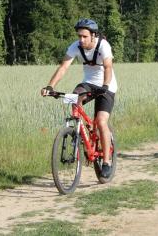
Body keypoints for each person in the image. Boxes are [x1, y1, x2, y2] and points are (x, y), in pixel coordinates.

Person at [41, 18, 117, 178]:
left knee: (101, 121)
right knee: (74, 99)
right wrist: (50, 86)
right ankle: (79, 133)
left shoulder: (103, 45)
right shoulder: (75, 47)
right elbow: (63, 67)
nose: (81, 40)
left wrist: (105, 85)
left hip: (106, 85)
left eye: (84, 36)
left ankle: (107, 162)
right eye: (79, 36)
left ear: (93, 35)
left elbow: (108, 67)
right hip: (88, 84)